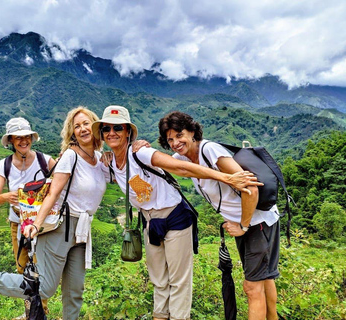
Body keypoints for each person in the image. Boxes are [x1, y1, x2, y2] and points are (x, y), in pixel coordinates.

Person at [91, 105, 263, 320]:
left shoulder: (141, 153)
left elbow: (180, 167)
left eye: (118, 128)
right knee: (159, 278)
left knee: (179, 279)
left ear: (128, 131)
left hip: (175, 217)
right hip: (150, 221)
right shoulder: (110, 162)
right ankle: (160, 316)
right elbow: (81, 161)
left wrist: (226, 177)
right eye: (106, 129)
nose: (112, 133)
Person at [0, 107, 109, 320]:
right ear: (72, 133)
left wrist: (130, 148)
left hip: (83, 230)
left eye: (86, 124)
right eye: (77, 126)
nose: (83, 129)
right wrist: (36, 225)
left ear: (95, 127)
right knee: (44, 288)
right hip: (61, 227)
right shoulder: (70, 157)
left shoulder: (100, 159)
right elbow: (52, 194)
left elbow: (120, 171)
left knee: (75, 290)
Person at [157, 111, 280, 320]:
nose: (175, 142)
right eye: (170, 139)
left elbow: (251, 188)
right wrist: (138, 146)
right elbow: (163, 162)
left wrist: (243, 225)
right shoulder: (183, 157)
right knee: (263, 279)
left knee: (251, 287)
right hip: (249, 223)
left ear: (193, 133)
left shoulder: (210, 151)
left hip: (257, 223)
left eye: (180, 135)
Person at [0, 117, 56, 274]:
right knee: (22, 267)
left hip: (42, 224)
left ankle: (41, 299)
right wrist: (6, 197)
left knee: (41, 269)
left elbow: (62, 182)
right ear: (11, 140)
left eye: (27, 136)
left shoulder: (44, 161)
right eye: (18, 137)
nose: (24, 141)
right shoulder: (4, 165)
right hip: (17, 224)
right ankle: (28, 299)